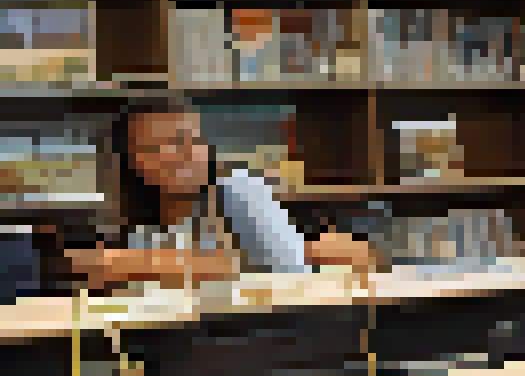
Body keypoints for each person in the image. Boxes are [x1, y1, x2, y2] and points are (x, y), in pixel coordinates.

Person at [66, 98, 378, 292]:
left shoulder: (240, 194)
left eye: (196, 140)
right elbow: (85, 266)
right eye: (173, 143)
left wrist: (128, 263)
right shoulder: (126, 223)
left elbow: (354, 256)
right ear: (135, 160)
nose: (191, 153)